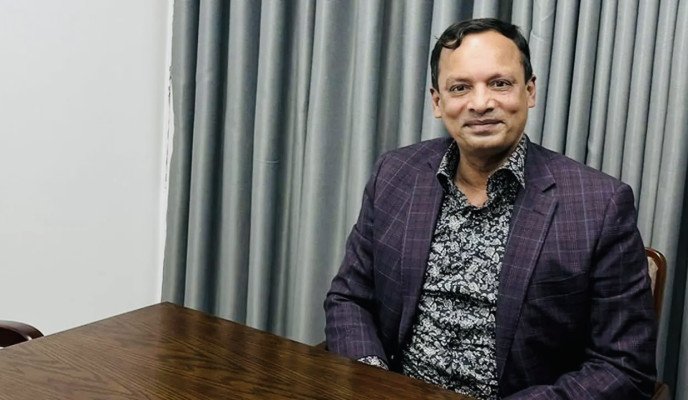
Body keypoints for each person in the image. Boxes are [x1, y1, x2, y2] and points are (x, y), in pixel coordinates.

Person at [324, 18, 656, 399]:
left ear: (529, 91)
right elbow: (349, 298)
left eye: (500, 83)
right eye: (460, 87)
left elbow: (624, 368)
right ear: (437, 101)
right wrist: (375, 381)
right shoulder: (395, 174)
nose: (480, 103)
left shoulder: (600, 205)